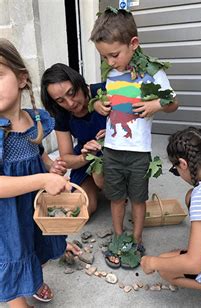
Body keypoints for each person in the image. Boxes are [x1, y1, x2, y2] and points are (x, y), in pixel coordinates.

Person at [89, 7, 179, 267]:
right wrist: (99, 107)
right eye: (104, 57)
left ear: (133, 44)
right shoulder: (112, 74)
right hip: (113, 150)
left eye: (114, 55)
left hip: (139, 152)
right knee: (116, 196)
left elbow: (173, 103)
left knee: (138, 198)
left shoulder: (152, 73)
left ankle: (137, 238)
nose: (110, 62)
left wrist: (155, 106)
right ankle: (118, 237)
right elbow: (106, 103)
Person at [0, 38, 81, 308]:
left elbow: (41, 157)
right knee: (13, 253)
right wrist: (43, 179)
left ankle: (33, 280)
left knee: (35, 245)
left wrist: (51, 168)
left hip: (33, 206)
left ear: (22, 78)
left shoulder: (34, 119)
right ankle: (17, 297)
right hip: (6, 217)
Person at [140, 127, 201, 307]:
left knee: (166, 270)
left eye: (175, 169)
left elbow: (193, 264)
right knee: (170, 258)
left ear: (183, 164)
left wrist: (151, 262)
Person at [41, 63, 107, 215]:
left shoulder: (102, 90)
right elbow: (67, 158)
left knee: (111, 189)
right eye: (60, 100)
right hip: (87, 156)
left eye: (71, 92)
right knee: (81, 208)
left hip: (115, 153)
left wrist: (114, 131)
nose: (70, 103)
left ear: (78, 82)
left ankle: (111, 188)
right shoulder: (61, 115)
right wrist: (84, 157)